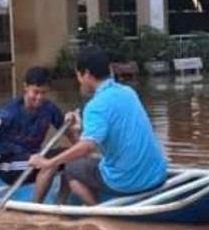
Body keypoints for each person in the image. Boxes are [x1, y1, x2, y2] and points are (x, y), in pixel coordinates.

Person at [29, 48, 168, 205]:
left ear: (86, 74)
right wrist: (80, 127)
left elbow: (87, 147)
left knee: (71, 169)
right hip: (157, 175)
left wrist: (49, 162)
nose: (79, 80)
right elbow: (107, 127)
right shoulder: (128, 92)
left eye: (78, 75)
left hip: (128, 182)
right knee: (92, 161)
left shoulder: (95, 106)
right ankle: (63, 204)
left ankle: (96, 212)